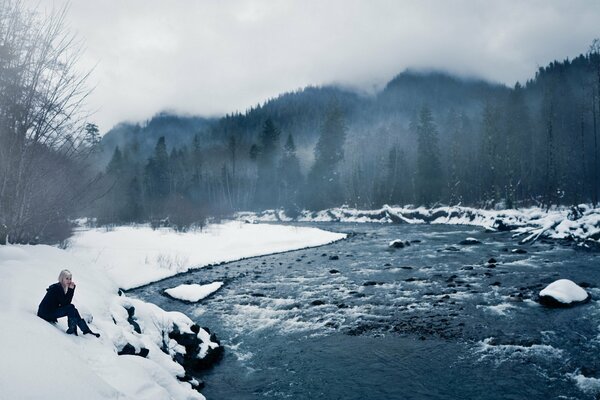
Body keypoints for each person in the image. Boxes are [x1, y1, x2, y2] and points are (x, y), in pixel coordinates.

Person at [37, 269, 100, 337]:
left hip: (49, 311)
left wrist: (70, 289)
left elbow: (65, 303)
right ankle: (72, 328)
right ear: (62, 278)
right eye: (67, 278)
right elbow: (65, 303)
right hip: (45, 314)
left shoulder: (60, 286)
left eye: (70, 279)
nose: (69, 281)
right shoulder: (57, 288)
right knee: (70, 307)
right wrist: (71, 290)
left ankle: (85, 330)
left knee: (73, 309)